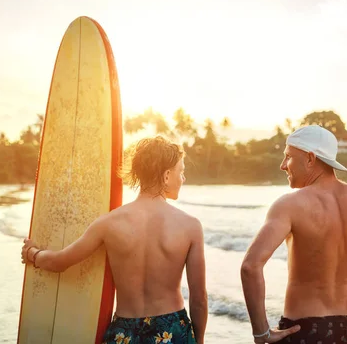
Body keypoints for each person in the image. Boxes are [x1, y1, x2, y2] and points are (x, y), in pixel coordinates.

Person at [20, 136, 208, 344]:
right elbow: (198, 299)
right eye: (180, 172)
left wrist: (32, 254)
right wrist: (198, 340)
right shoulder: (190, 226)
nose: (183, 178)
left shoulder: (108, 223)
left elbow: (59, 262)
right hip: (172, 331)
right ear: (166, 176)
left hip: (124, 332)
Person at [240, 125, 347, 344]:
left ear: (310, 159)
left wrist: (261, 332)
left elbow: (250, 267)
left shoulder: (289, 205)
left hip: (305, 329)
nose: (283, 165)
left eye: (288, 157)